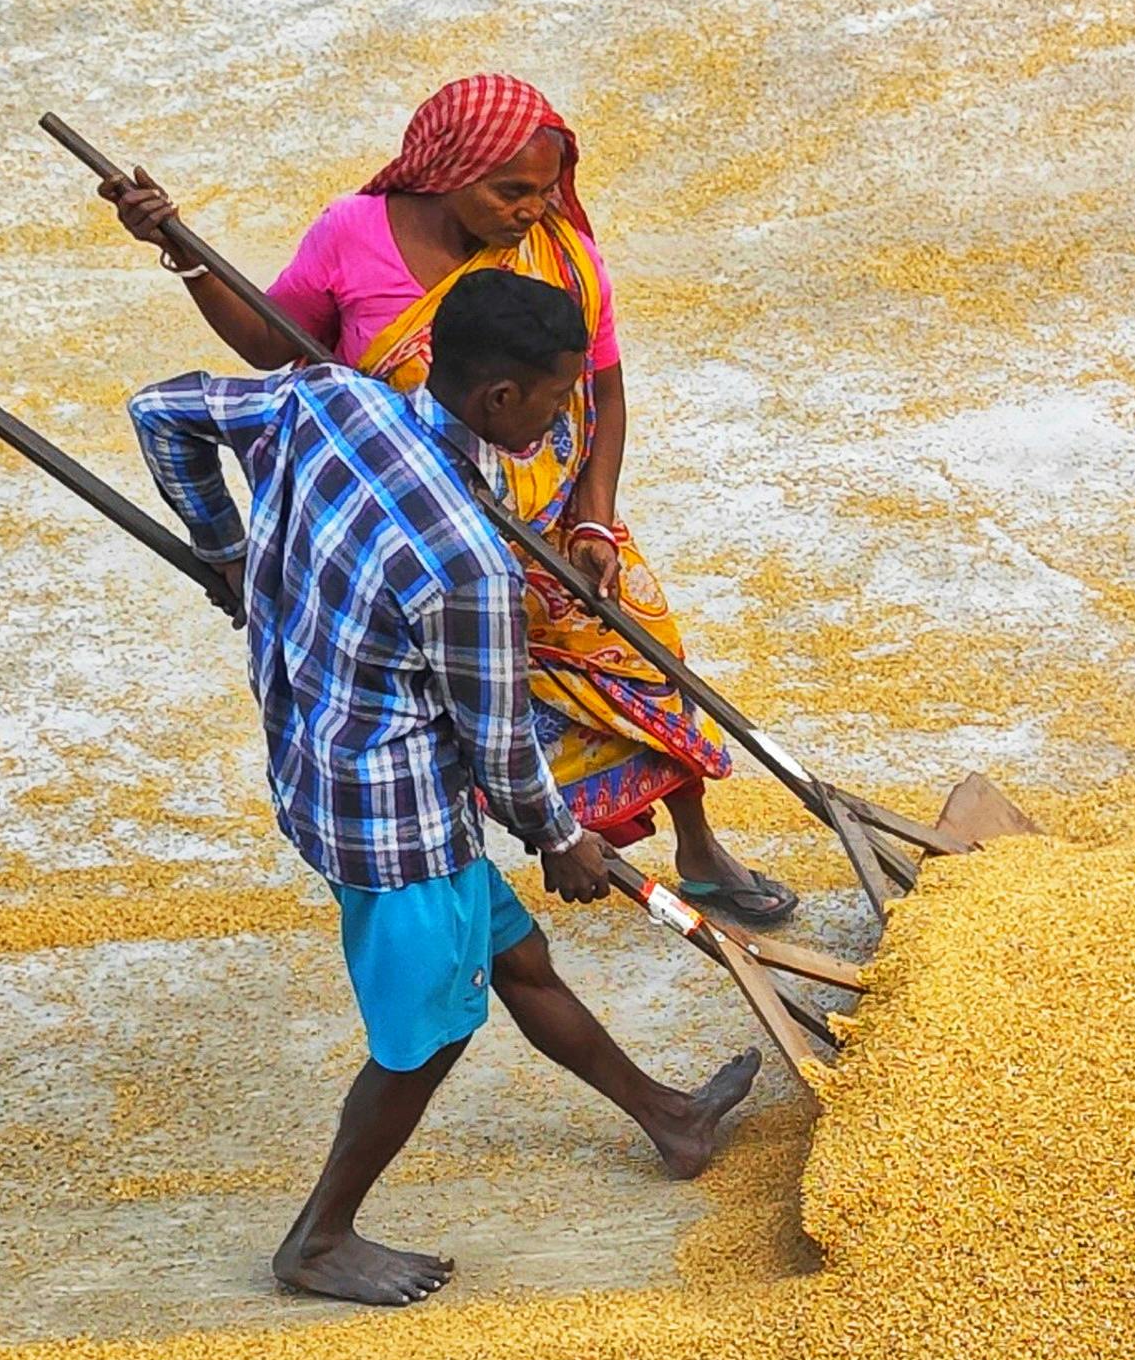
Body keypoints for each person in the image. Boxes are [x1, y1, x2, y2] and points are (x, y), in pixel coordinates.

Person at [132, 267, 762, 1305]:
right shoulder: (467, 559)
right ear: (500, 399)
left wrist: (228, 548)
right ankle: (319, 1240)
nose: (567, 418)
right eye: (560, 398)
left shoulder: (334, 396)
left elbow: (161, 413)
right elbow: (501, 740)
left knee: (519, 958)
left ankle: (670, 1119)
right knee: (426, 1040)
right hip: (388, 814)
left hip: (314, 739)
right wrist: (560, 837)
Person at [99, 75, 800, 930]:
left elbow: (604, 394)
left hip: (560, 525)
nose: (534, 211)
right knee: (486, 716)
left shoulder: (560, 252)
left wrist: (591, 516)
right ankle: (570, 851)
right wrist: (187, 255)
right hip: (437, 537)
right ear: (443, 171)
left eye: (546, 190)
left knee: (645, 666)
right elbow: (266, 340)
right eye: (511, 191)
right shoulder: (351, 237)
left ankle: (697, 848)